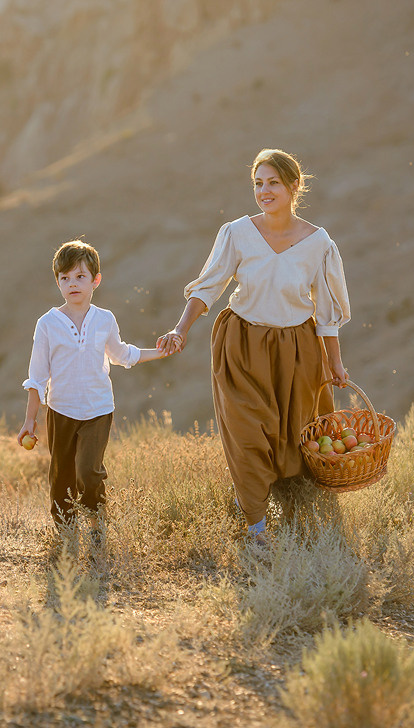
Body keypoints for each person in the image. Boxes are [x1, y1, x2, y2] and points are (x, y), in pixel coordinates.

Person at [157, 148, 351, 547]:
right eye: (258, 184)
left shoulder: (319, 243)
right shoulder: (237, 232)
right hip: (242, 345)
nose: (264, 191)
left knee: (299, 438)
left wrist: (335, 364)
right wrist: (180, 329)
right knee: (248, 435)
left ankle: (303, 521)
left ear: (294, 186)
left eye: (273, 182)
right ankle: (257, 529)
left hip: (298, 351)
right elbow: (209, 285)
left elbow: (328, 313)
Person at [18, 239, 169, 535]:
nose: (72, 284)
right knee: (62, 477)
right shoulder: (47, 323)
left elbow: (122, 354)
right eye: (65, 278)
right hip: (60, 411)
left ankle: (97, 525)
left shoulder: (105, 319)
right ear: (57, 282)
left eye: (80, 277)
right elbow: (37, 377)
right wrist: (29, 420)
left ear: (95, 280)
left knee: (88, 471)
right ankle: (66, 536)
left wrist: (162, 351)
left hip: (98, 410)